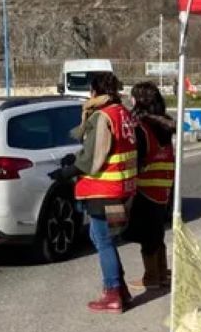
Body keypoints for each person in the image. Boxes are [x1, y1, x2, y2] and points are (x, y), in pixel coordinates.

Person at [51, 72, 138, 313]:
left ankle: (112, 293)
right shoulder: (123, 113)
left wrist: (68, 171)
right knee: (105, 239)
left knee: (102, 240)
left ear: (94, 92)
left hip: (103, 189)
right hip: (122, 187)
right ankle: (121, 291)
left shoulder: (103, 117)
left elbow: (93, 157)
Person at [125, 81, 175, 290]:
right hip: (164, 186)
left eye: (133, 97)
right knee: (157, 233)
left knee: (148, 236)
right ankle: (162, 273)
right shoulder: (164, 125)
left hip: (146, 186)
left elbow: (138, 158)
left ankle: (151, 277)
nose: (130, 100)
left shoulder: (141, 127)